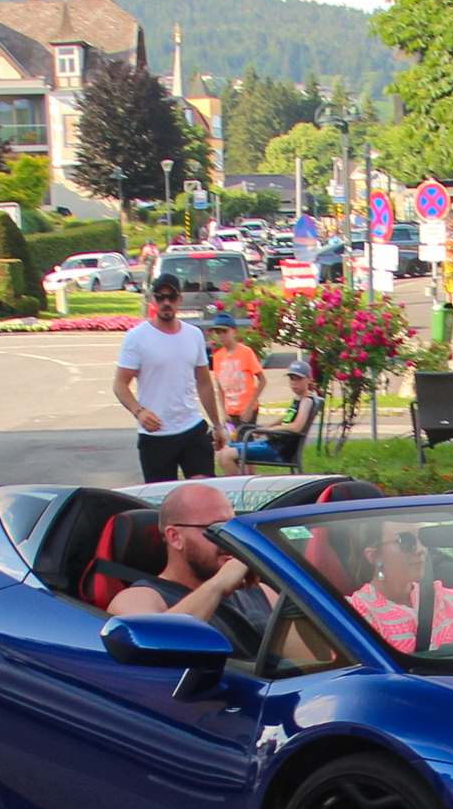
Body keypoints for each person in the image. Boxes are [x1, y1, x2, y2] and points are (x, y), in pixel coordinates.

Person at [105, 481, 277, 654]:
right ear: (175, 537)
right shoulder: (139, 599)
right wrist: (217, 586)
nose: (228, 539)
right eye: (215, 529)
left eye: (231, 528)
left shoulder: (261, 592)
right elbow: (157, 650)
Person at [112, 274, 225, 482]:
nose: (166, 303)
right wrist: (139, 412)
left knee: (204, 493)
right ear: (152, 300)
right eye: (160, 297)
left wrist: (217, 425)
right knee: (162, 501)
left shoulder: (194, 335)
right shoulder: (137, 337)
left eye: (171, 297)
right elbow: (120, 384)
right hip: (156, 435)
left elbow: (204, 382)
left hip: (191, 428)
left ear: (179, 299)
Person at [345, 518, 453, 654]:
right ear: (374, 556)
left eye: (422, 538)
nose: (421, 550)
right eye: (405, 541)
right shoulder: (355, 615)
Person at [220, 363, 321, 474]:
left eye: (299, 379)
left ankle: (240, 488)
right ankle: (242, 483)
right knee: (222, 451)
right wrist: (268, 427)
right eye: (292, 379)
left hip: (280, 450)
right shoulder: (298, 399)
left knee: (227, 456)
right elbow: (286, 417)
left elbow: (297, 427)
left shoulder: (306, 401)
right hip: (272, 443)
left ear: (309, 380)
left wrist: (271, 430)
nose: (294, 383)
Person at [207, 312, 264, 440]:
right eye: (218, 333)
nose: (221, 336)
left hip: (247, 410)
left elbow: (262, 380)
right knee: (233, 443)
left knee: (245, 447)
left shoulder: (246, 352)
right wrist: (223, 411)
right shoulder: (217, 357)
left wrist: (250, 406)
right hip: (230, 412)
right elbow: (220, 387)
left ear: (234, 331)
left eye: (224, 331)